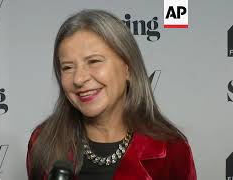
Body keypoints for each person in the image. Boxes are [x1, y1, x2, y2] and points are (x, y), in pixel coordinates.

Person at [26, 9, 196, 180]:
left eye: (94, 61)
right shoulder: (43, 141)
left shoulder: (171, 149)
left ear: (127, 68)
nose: (78, 79)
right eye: (67, 67)